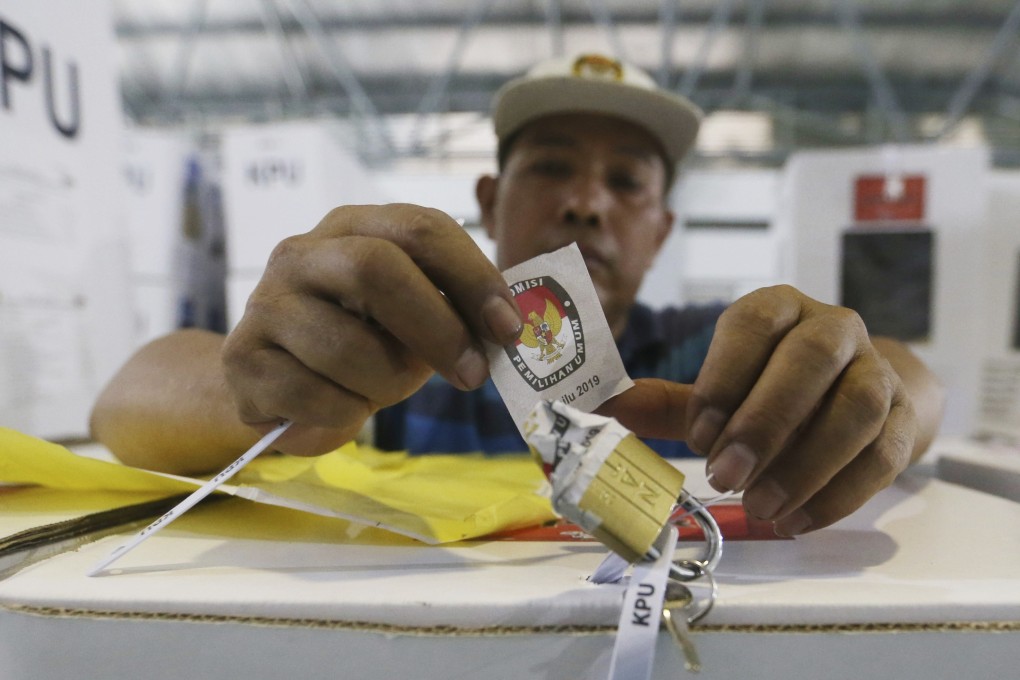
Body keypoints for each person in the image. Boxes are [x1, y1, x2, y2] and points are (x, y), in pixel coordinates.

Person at [90, 53, 944, 538]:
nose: (585, 201)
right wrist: (263, 388)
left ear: (662, 230)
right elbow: (126, 400)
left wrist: (862, 388)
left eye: (626, 182)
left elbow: (912, 378)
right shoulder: (398, 345)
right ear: (491, 202)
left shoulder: (704, 355)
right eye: (552, 166)